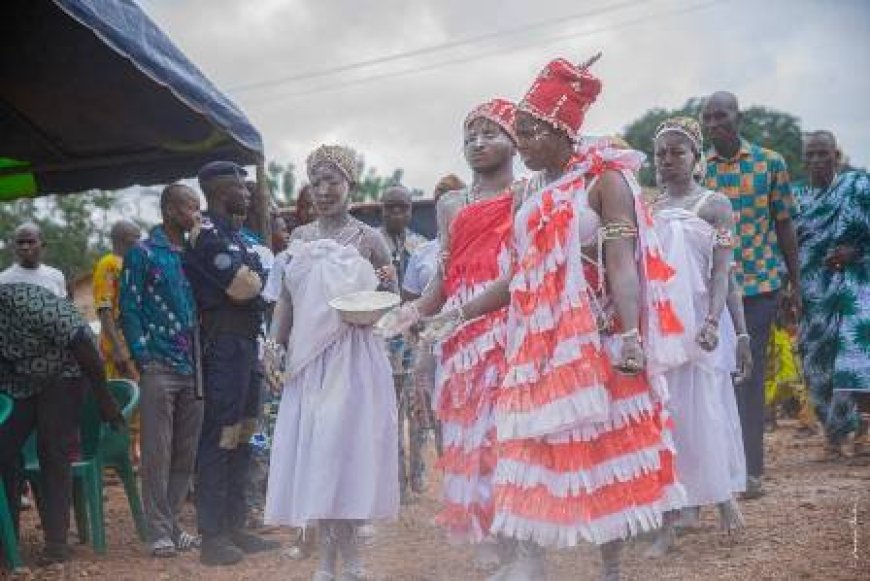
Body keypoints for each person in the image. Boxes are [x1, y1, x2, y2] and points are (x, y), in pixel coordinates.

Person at [417, 58, 686, 580]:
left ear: (559, 130)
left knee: (600, 449)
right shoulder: (533, 192)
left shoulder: (605, 180)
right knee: (528, 448)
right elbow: (517, 277)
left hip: (597, 339)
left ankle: (609, 568)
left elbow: (622, 262)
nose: (521, 144)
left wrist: (630, 335)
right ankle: (531, 563)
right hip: (536, 344)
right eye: (519, 133)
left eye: (528, 132)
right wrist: (456, 315)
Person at [379, 98, 523, 570]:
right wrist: (412, 313)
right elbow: (444, 276)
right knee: (468, 433)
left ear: (515, 140)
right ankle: (484, 536)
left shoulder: (528, 194)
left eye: (490, 133)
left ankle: (518, 533)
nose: (477, 144)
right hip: (459, 334)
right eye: (470, 137)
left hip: (512, 322)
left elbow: (524, 271)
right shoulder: (450, 204)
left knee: (511, 435)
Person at [264, 144, 399, 581]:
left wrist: (381, 294)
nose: (323, 190)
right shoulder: (299, 238)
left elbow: (390, 300)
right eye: (316, 182)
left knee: (345, 450)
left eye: (332, 182)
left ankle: (351, 556)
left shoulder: (369, 238)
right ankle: (323, 557)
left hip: (354, 356)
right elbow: (286, 298)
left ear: (350, 185)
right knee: (315, 450)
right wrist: (272, 343)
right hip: (309, 361)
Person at [645, 116, 751, 556]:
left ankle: (723, 499)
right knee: (664, 418)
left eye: (677, 152)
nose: (668, 160)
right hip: (660, 326)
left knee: (705, 413)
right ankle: (668, 520)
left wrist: (717, 324)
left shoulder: (715, 205)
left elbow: (723, 272)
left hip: (702, 325)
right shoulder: (646, 208)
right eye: (661, 154)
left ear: (696, 158)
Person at [701, 91, 801, 499]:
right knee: (717, 375)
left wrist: (795, 282)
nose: (714, 124)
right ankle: (724, 469)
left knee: (748, 374)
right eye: (707, 118)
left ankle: (752, 471)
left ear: (738, 117)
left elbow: (785, 226)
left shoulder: (769, 162)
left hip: (760, 285)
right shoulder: (699, 169)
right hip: (712, 289)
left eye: (721, 116)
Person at [183, 161, 280, 566]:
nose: (248, 190)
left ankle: (236, 525)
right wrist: (257, 285)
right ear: (222, 189)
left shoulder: (237, 237)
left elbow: (262, 285)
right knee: (220, 436)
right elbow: (246, 286)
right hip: (222, 345)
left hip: (246, 344)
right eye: (242, 184)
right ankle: (213, 535)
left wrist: (257, 285)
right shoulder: (205, 234)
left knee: (245, 434)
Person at [0, 283, 123, 565]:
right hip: (22, 382)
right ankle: (7, 541)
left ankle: (56, 543)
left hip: (65, 372)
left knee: (52, 448)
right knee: (4, 449)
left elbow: (82, 341)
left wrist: (104, 399)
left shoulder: (26, 303)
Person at [120, 184, 203, 558]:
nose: (196, 215)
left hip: (193, 367)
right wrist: (142, 357)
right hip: (159, 365)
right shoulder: (142, 253)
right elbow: (130, 308)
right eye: (190, 208)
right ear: (170, 210)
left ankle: (171, 524)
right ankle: (158, 530)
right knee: (157, 451)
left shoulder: (192, 253)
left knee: (185, 452)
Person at [794, 130, 870, 458]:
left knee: (856, 361)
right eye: (810, 154)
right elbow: (789, 245)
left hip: (855, 286)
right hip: (813, 295)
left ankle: (864, 434)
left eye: (822, 153)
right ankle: (833, 435)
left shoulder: (857, 187)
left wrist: (856, 251)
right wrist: (789, 288)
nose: (816, 160)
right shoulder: (798, 198)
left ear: (836, 156)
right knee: (816, 365)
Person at [379, 185, 429, 501]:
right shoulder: (371, 245)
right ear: (382, 210)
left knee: (418, 408)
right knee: (391, 412)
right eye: (391, 207)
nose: (397, 213)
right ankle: (396, 481)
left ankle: (419, 475)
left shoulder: (421, 246)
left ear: (411, 211)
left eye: (403, 208)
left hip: (416, 339)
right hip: (384, 340)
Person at [94, 220, 141, 381]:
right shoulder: (108, 264)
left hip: (134, 346)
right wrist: (117, 349)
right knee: (126, 398)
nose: (140, 242)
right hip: (118, 349)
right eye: (137, 238)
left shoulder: (132, 264)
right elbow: (104, 309)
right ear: (124, 239)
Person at [0, 223, 67, 297]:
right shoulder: (3, 280)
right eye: (20, 242)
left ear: (43, 246)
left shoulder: (56, 276)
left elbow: (62, 306)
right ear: (13, 247)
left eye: (31, 242)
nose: (25, 247)